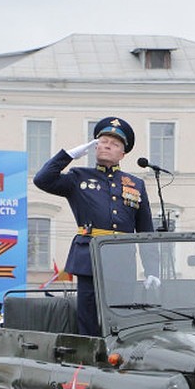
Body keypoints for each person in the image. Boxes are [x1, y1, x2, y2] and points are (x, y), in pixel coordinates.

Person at [33, 116, 159, 335]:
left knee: (121, 314)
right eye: (102, 141)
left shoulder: (135, 184)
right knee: (88, 316)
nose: (107, 145)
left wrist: (152, 269)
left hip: (122, 257)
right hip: (89, 256)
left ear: (123, 154)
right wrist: (69, 156)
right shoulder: (78, 176)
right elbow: (42, 179)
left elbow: (145, 230)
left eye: (114, 143)